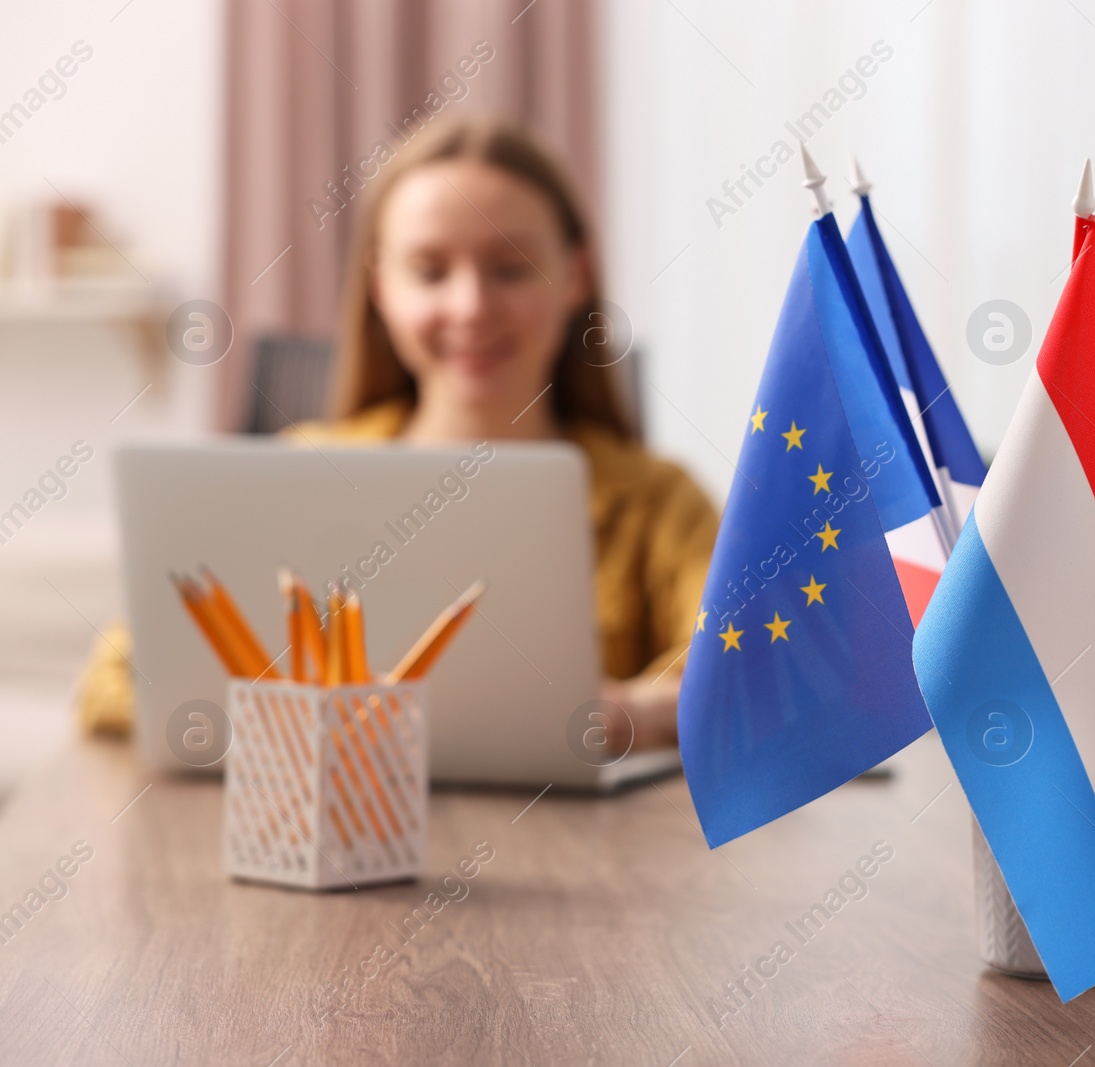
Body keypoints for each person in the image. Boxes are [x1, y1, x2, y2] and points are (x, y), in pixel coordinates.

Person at [77, 115, 717, 752]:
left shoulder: (662, 502)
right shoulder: (298, 473)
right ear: (381, 286)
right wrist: (293, 726)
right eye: (430, 272)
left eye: (511, 268)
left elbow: (754, 678)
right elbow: (115, 680)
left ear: (574, 276)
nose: (470, 307)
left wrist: (635, 713)